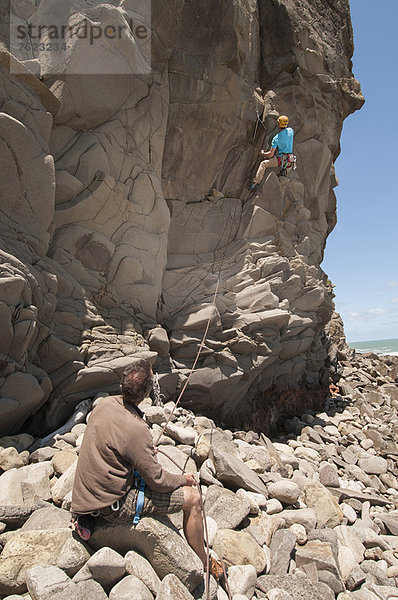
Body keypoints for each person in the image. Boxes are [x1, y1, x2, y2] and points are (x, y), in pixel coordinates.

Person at [71, 359, 223, 579]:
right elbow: (158, 481)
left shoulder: (105, 404)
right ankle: (203, 560)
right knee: (193, 498)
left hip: (85, 498)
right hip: (111, 506)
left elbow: (116, 444)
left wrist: (140, 449)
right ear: (146, 393)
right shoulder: (136, 429)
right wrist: (184, 479)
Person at [251, 115, 295, 188]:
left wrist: (263, 153)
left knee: (263, 164)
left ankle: (256, 182)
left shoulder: (276, 138)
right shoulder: (291, 131)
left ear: (278, 124)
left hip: (281, 160)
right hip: (290, 161)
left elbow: (271, 154)